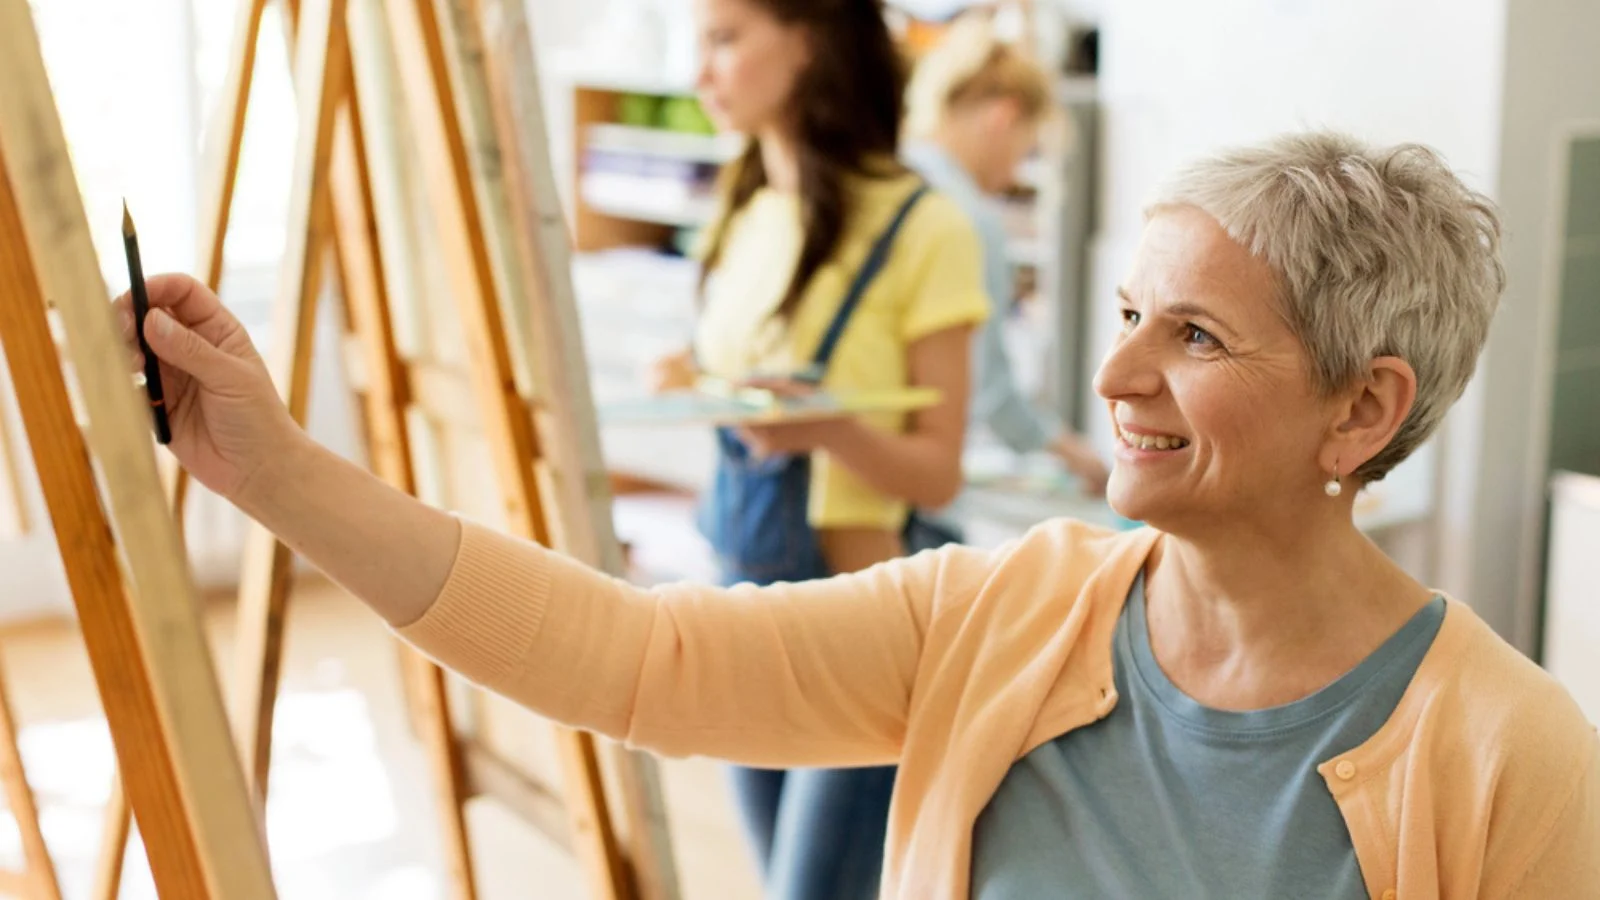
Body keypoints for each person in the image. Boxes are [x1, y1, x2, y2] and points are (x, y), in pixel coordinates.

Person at [118, 130, 1599, 898]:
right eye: (1131, 311)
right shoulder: (1008, 605)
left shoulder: (1507, 756)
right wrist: (274, 471)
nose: (1114, 371)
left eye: (1193, 339)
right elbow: (633, 661)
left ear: (1363, 408)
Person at [643, 0, 992, 895]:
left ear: (810, 42)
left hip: (858, 632)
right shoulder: (748, 216)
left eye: (725, 40)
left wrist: (829, 427)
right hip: (742, 612)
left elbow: (937, 469)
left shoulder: (925, 226)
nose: (702, 74)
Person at [901, 13, 1111, 496]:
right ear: (1003, 118)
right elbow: (988, 387)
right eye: (1025, 150)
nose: (1015, 173)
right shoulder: (969, 221)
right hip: (914, 481)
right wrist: (1071, 451)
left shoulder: (889, 179)